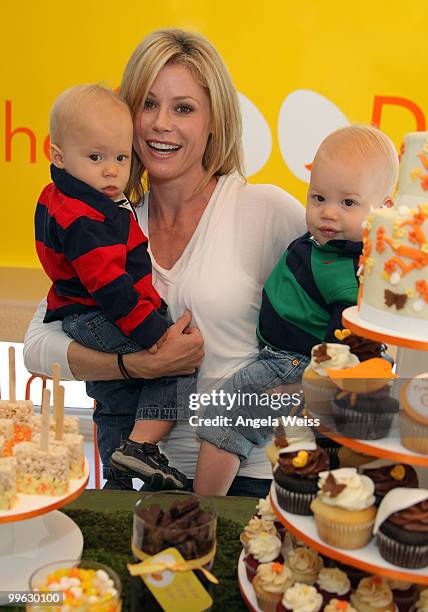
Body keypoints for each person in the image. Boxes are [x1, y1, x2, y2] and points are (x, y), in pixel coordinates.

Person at [24, 28, 305, 495]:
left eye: (184, 108)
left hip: (250, 481)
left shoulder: (267, 210)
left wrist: (243, 415)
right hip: (141, 482)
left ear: (215, 120)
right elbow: (38, 347)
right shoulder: (108, 222)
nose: (160, 124)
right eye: (148, 105)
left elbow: (342, 356)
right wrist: (141, 366)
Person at [193, 124, 399, 495]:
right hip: (278, 356)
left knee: (231, 413)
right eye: (318, 198)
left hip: (296, 364)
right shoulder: (326, 244)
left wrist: (305, 388)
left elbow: (346, 347)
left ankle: (206, 505)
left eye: (348, 203)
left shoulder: (350, 272)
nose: (328, 214)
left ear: (383, 210)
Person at [35, 84, 195, 491]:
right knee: (179, 367)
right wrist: (153, 336)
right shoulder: (86, 217)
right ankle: (138, 450)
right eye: (96, 158)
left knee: (113, 400)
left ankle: (118, 480)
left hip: (81, 313)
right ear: (58, 155)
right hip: (100, 314)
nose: (111, 170)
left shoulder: (66, 197)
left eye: (121, 157)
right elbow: (110, 287)